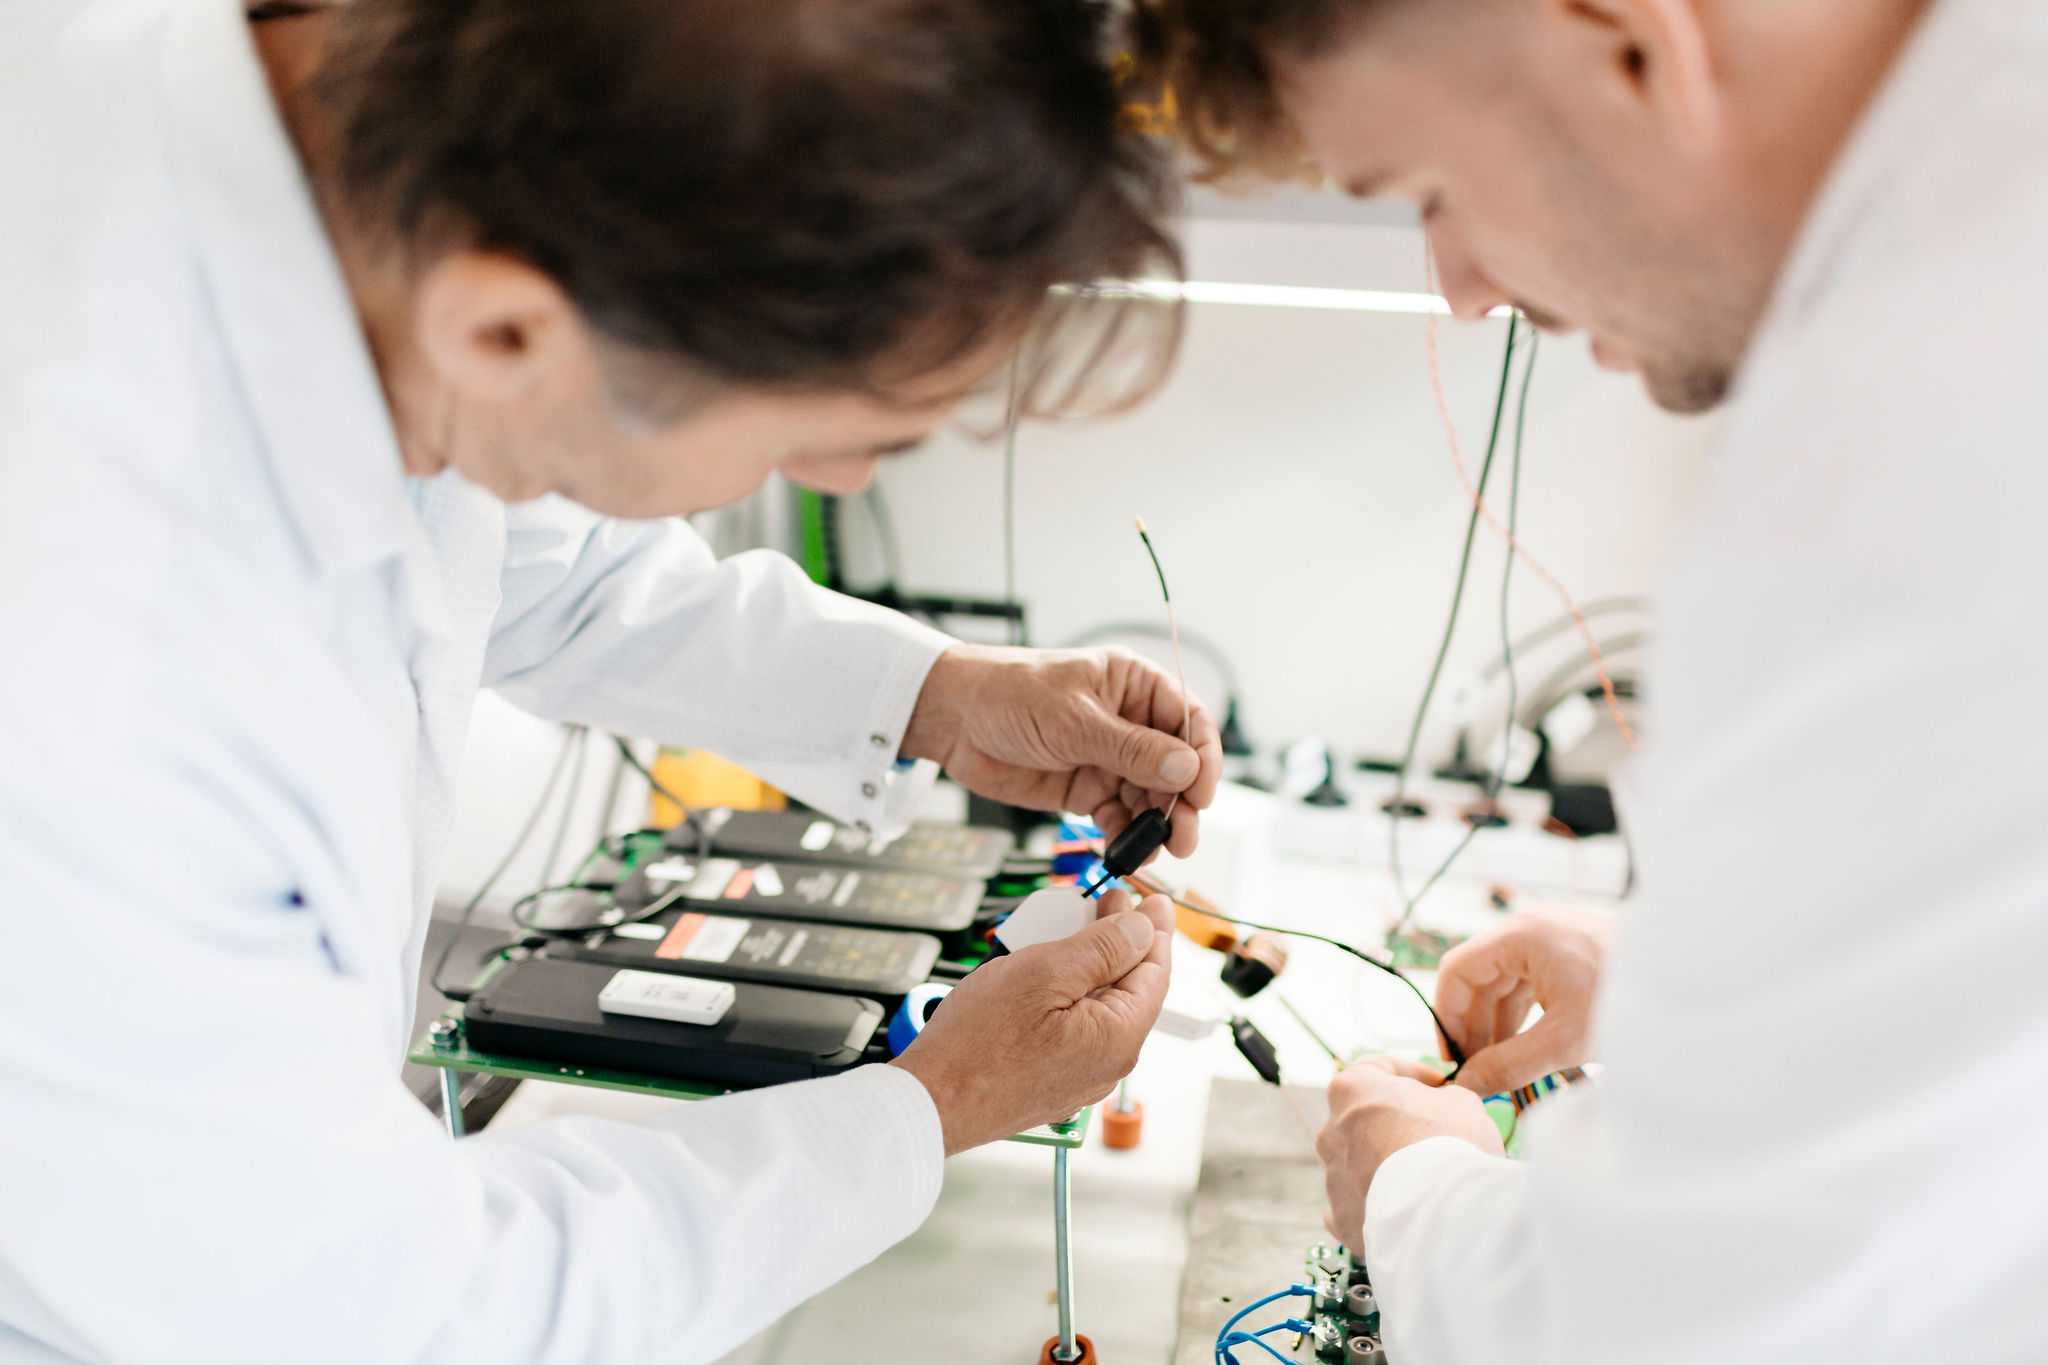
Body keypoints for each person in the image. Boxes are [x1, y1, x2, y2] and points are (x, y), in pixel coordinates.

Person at [0, 0, 1224, 1360]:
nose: (840, 484)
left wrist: (934, 692)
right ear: (505, 333)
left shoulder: (391, 177)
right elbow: (376, 1317)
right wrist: (927, 1107)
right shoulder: (100, 673)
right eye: (821, 434)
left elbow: (525, 553)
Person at [1136, 0, 2048, 1359]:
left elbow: (1666, 1318)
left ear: (1632, 43)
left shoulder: (1902, 453)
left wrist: (1415, 1189)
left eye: (1434, 189)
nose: (1463, 289)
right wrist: (1700, 985)